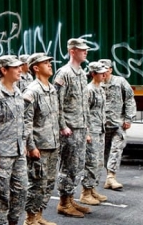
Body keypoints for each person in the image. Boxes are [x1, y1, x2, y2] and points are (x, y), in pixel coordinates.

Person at [0, 56, 28, 225]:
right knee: (0, 195)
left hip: (18, 151)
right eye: (15, 68)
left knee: (21, 190)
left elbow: (22, 120)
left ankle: (13, 222)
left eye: (20, 67)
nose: (20, 70)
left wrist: (23, 142)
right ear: (4, 70)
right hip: (1, 153)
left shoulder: (17, 92)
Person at [54, 38, 91, 218]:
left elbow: (84, 104)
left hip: (80, 127)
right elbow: (57, 103)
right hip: (70, 128)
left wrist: (87, 128)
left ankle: (70, 198)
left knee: (77, 166)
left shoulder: (81, 74)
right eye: (82, 49)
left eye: (86, 49)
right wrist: (62, 126)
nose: (86, 52)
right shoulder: (64, 73)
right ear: (72, 51)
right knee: (67, 166)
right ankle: (63, 202)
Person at [23, 53, 59, 225]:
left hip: (53, 143)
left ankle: (39, 215)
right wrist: (31, 146)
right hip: (40, 146)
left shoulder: (51, 89)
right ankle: (30, 219)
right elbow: (26, 122)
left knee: (49, 182)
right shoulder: (32, 91)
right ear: (36, 68)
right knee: (37, 183)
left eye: (49, 63)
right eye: (45, 63)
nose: (50, 65)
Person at [98, 58, 136, 191]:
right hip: (101, 125)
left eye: (106, 69)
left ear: (110, 70)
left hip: (117, 124)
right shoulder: (96, 85)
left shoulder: (120, 82)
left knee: (116, 149)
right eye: (101, 69)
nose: (103, 72)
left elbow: (130, 99)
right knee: (105, 152)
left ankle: (111, 177)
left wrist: (128, 118)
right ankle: (109, 177)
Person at [80, 62, 109, 205]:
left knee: (98, 162)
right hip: (92, 131)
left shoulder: (100, 89)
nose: (104, 75)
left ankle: (92, 189)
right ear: (93, 74)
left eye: (105, 72)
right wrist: (86, 132)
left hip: (100, 130)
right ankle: (85, 192)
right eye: (100, 73)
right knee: (90, 162)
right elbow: (84, 112)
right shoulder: (89, 90)